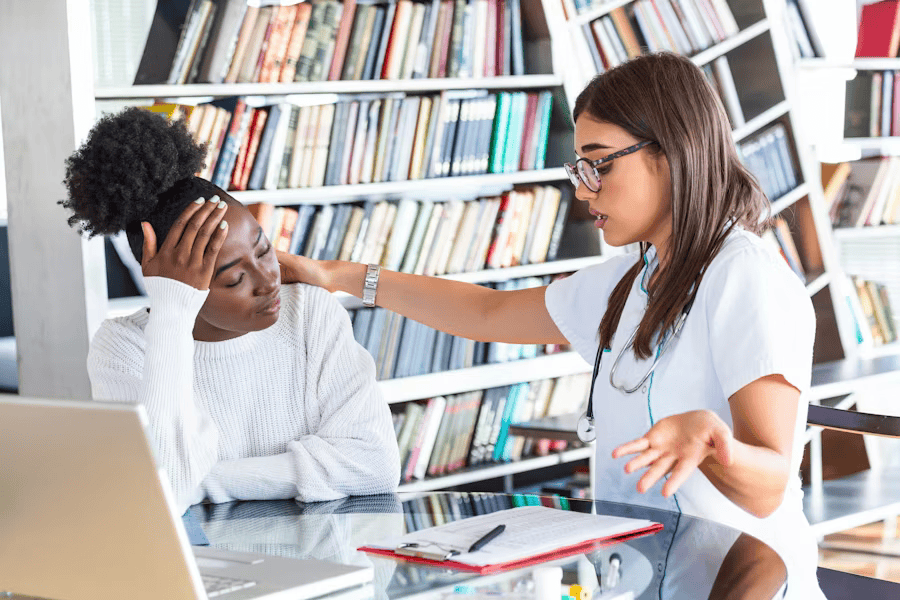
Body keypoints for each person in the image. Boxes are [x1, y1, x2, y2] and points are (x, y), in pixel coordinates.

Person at [278, 52, 824, 598]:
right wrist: (337, 276)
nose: (584, 190)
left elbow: (769, 487)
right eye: (580, 168)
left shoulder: (744, 275)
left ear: (673, 151)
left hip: (748, 583)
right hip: (648, 578)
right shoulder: (629, 282)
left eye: (600, 164)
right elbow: (484, 313)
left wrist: (712, 442)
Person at [61, 107, 400, 515]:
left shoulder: (309, 313)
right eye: (234, 279)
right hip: (205, 567)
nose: (268, 280)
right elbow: (164, 486)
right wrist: (171, 314)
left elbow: (374, 463)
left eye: (263, 249)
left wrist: (209, 481)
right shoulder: (123, 349)